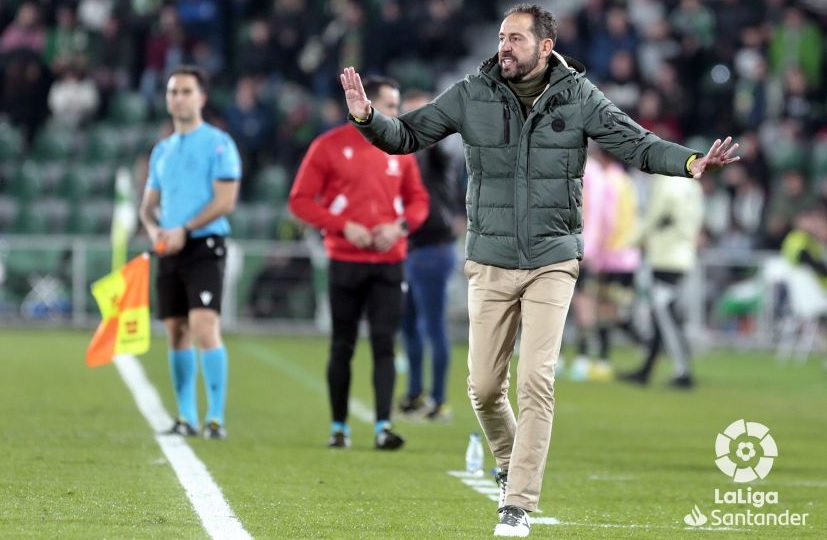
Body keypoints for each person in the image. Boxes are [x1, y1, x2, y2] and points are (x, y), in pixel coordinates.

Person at [339, 3, 739, 536]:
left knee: (536, 379)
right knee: (483, 387)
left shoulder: (579, 97)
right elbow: (407, 135)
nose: (504, 46)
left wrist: (690, 162)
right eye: (502, 37)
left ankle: (518, 504)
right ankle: (508, 461)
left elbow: (636, 143)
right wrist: (368, 119)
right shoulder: (470, 93)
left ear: (545, 47)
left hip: (553, 259)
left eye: (516, 39)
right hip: (490, 259)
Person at [288, 76, 430, 451]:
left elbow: (419, 202)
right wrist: (342, 226)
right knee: (342, 345)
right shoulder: (328, 146)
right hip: (345, 261)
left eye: (398, 106)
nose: (396, 113)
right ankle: (339, 427)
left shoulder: (401, 151)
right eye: (389, 105)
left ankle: (384, 426)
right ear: (364, 104)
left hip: (388, 262)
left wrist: (398, 227)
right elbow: (300, 200)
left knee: (385, 344)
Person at [138, 65, 242, 440]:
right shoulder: (162, 150)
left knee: (203, 326)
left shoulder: (219, 143)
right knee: (175, 330)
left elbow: (226, 200)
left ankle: (215, 417)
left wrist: (185, 229)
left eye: (185, 91)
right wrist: (155, 232)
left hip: (204, 245)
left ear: (201, 98)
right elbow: (147, 206)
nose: (178, 98)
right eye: (172, 92)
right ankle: (185, 417)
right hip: (170, 246)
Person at [396, 89, 465, 421]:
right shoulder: (407, 156)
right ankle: (415, 394)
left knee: (432, 326)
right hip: (412, 250)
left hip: (432, 249)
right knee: (409, 326)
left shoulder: (437, 153)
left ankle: (437, 400)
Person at [618, 172, 704, 389]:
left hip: (666, 255)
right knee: (663, 316)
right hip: (682, 254)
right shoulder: (692, 186)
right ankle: (647, 369)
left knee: (665, 315)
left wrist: (631, 242)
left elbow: (653, 217)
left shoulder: (666, 183)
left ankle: (683, 371)